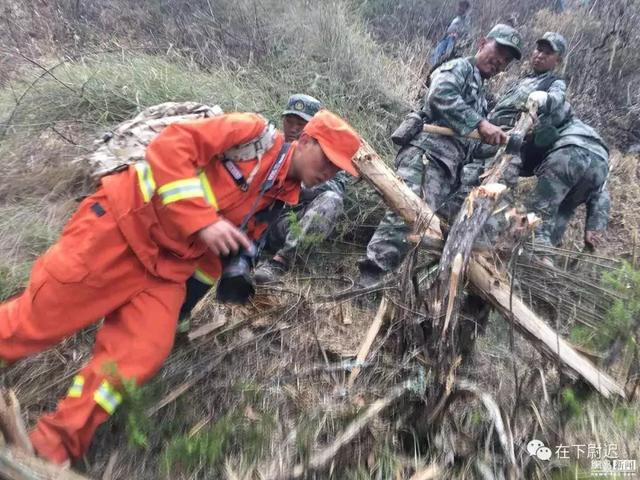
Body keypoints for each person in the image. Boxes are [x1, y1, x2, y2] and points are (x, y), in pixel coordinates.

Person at [0, 109, 361, 464]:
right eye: (328, 162)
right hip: (121, 230)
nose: (328, 174)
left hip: (167, 270)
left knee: (142, 353)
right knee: (36, 323)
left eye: (337, 171)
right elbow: (171, 146)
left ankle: (53, 446)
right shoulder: (250, 133)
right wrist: (202, 220)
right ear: (307, 140)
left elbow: (215, 257)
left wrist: (193, 301)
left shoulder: (282, 197)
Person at [357, 24, 523, 287]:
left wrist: (498, 141)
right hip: (427, 157)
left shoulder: (481, 96)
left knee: (418, 226)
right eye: (498, 50)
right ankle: (368, 279)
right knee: (404, 217)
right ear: (482, 43)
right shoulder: (459, 68)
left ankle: (387, 282)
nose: (500, 61)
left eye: (506, 59)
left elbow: (472, 147)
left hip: (447, 171)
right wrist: (481, 124)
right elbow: (440, 95)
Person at [528, 112, 610, 255]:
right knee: (565, 208)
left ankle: (537, 250)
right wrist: (595, 226)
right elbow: (601, 193)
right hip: (601, 165)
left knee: (542, 208)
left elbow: (533, 152)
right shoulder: (588, 132)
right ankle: (546, 258)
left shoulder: (555, 122)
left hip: (569, 153)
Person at [430, 1, 472, 68]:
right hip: (446, 38)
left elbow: (467, 34)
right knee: (435, 54)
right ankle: (433, 69)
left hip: (453, 40)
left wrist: (457, 35)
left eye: (462, 6)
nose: (459, 8)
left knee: (447, 57)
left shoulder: (466, 20)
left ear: (466, 9)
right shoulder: (456, 18)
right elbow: (449, 29)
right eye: (459, 6)